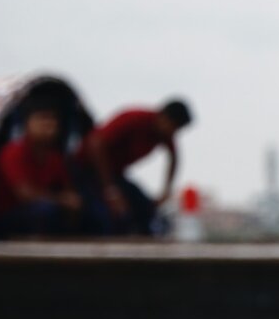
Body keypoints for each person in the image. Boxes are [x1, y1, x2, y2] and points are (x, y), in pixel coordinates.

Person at [74, 99, 193, 236]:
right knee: (104, 213)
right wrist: (110, 190)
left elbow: (174, 158)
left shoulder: (164, 135)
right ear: (164, 117)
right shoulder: (135, 118)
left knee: (145, 208)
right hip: (85, 168)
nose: (173, 134)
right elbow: (96, 143)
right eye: (173, 127)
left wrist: (166, 190)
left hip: (114, 174)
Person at [0, 99, 81, 239]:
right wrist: (62, 201)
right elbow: (26, 195)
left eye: (53, 119)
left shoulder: (54, 157)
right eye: (42, 118)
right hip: (5, 218)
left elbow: (68, 189)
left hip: (38, 212)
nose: (49, 124)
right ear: (27, 124)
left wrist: (73, 202)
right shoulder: (12, 152)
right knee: (45, 210)